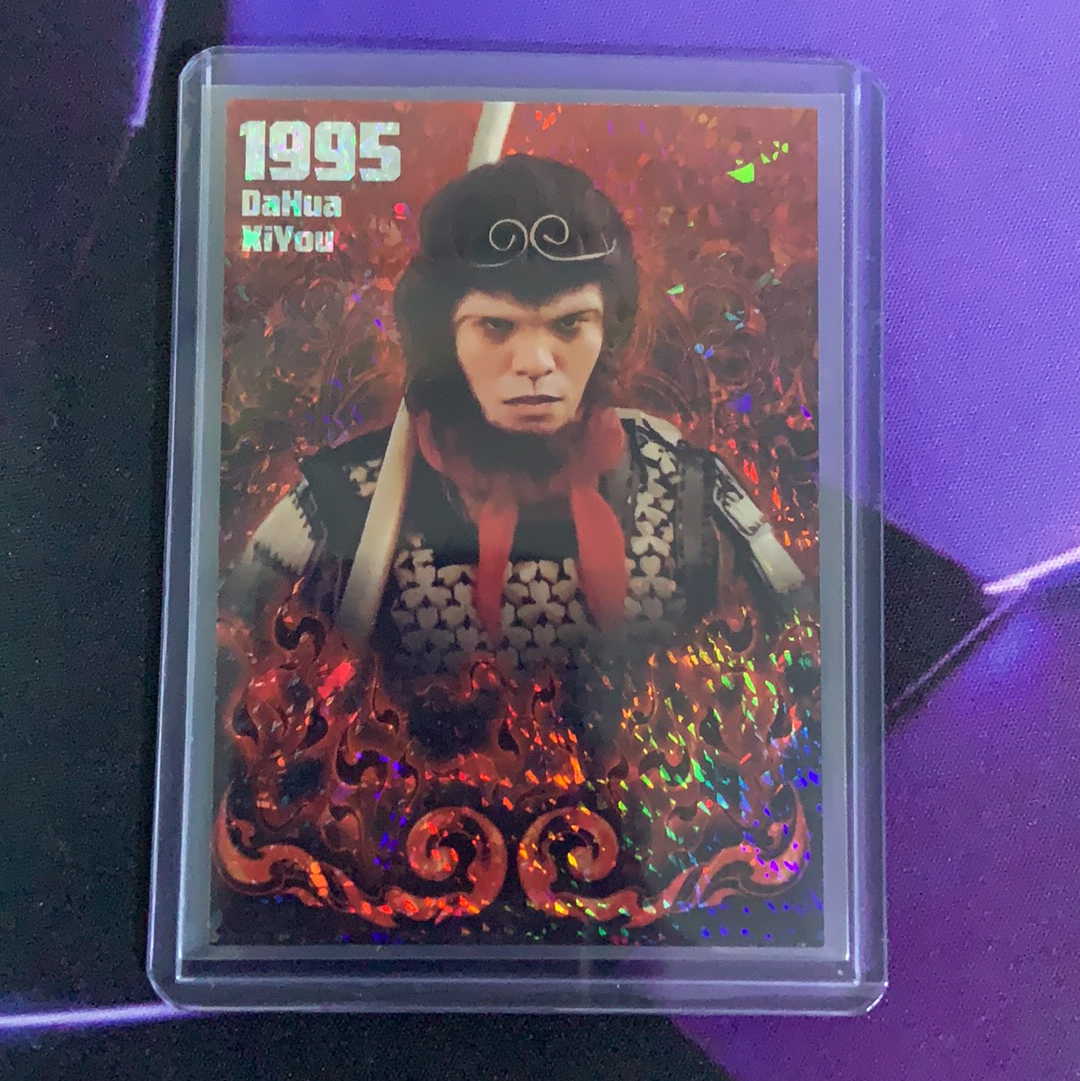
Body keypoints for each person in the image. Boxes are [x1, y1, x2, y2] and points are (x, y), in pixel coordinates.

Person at [221, 155, 807, 752]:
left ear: (608, 329)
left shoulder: (687, 488)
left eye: (569, 325)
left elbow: (810, 671)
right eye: (496, 327)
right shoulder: (341, 499)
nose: (534, 362)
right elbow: (223, 680)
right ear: (444, 338)